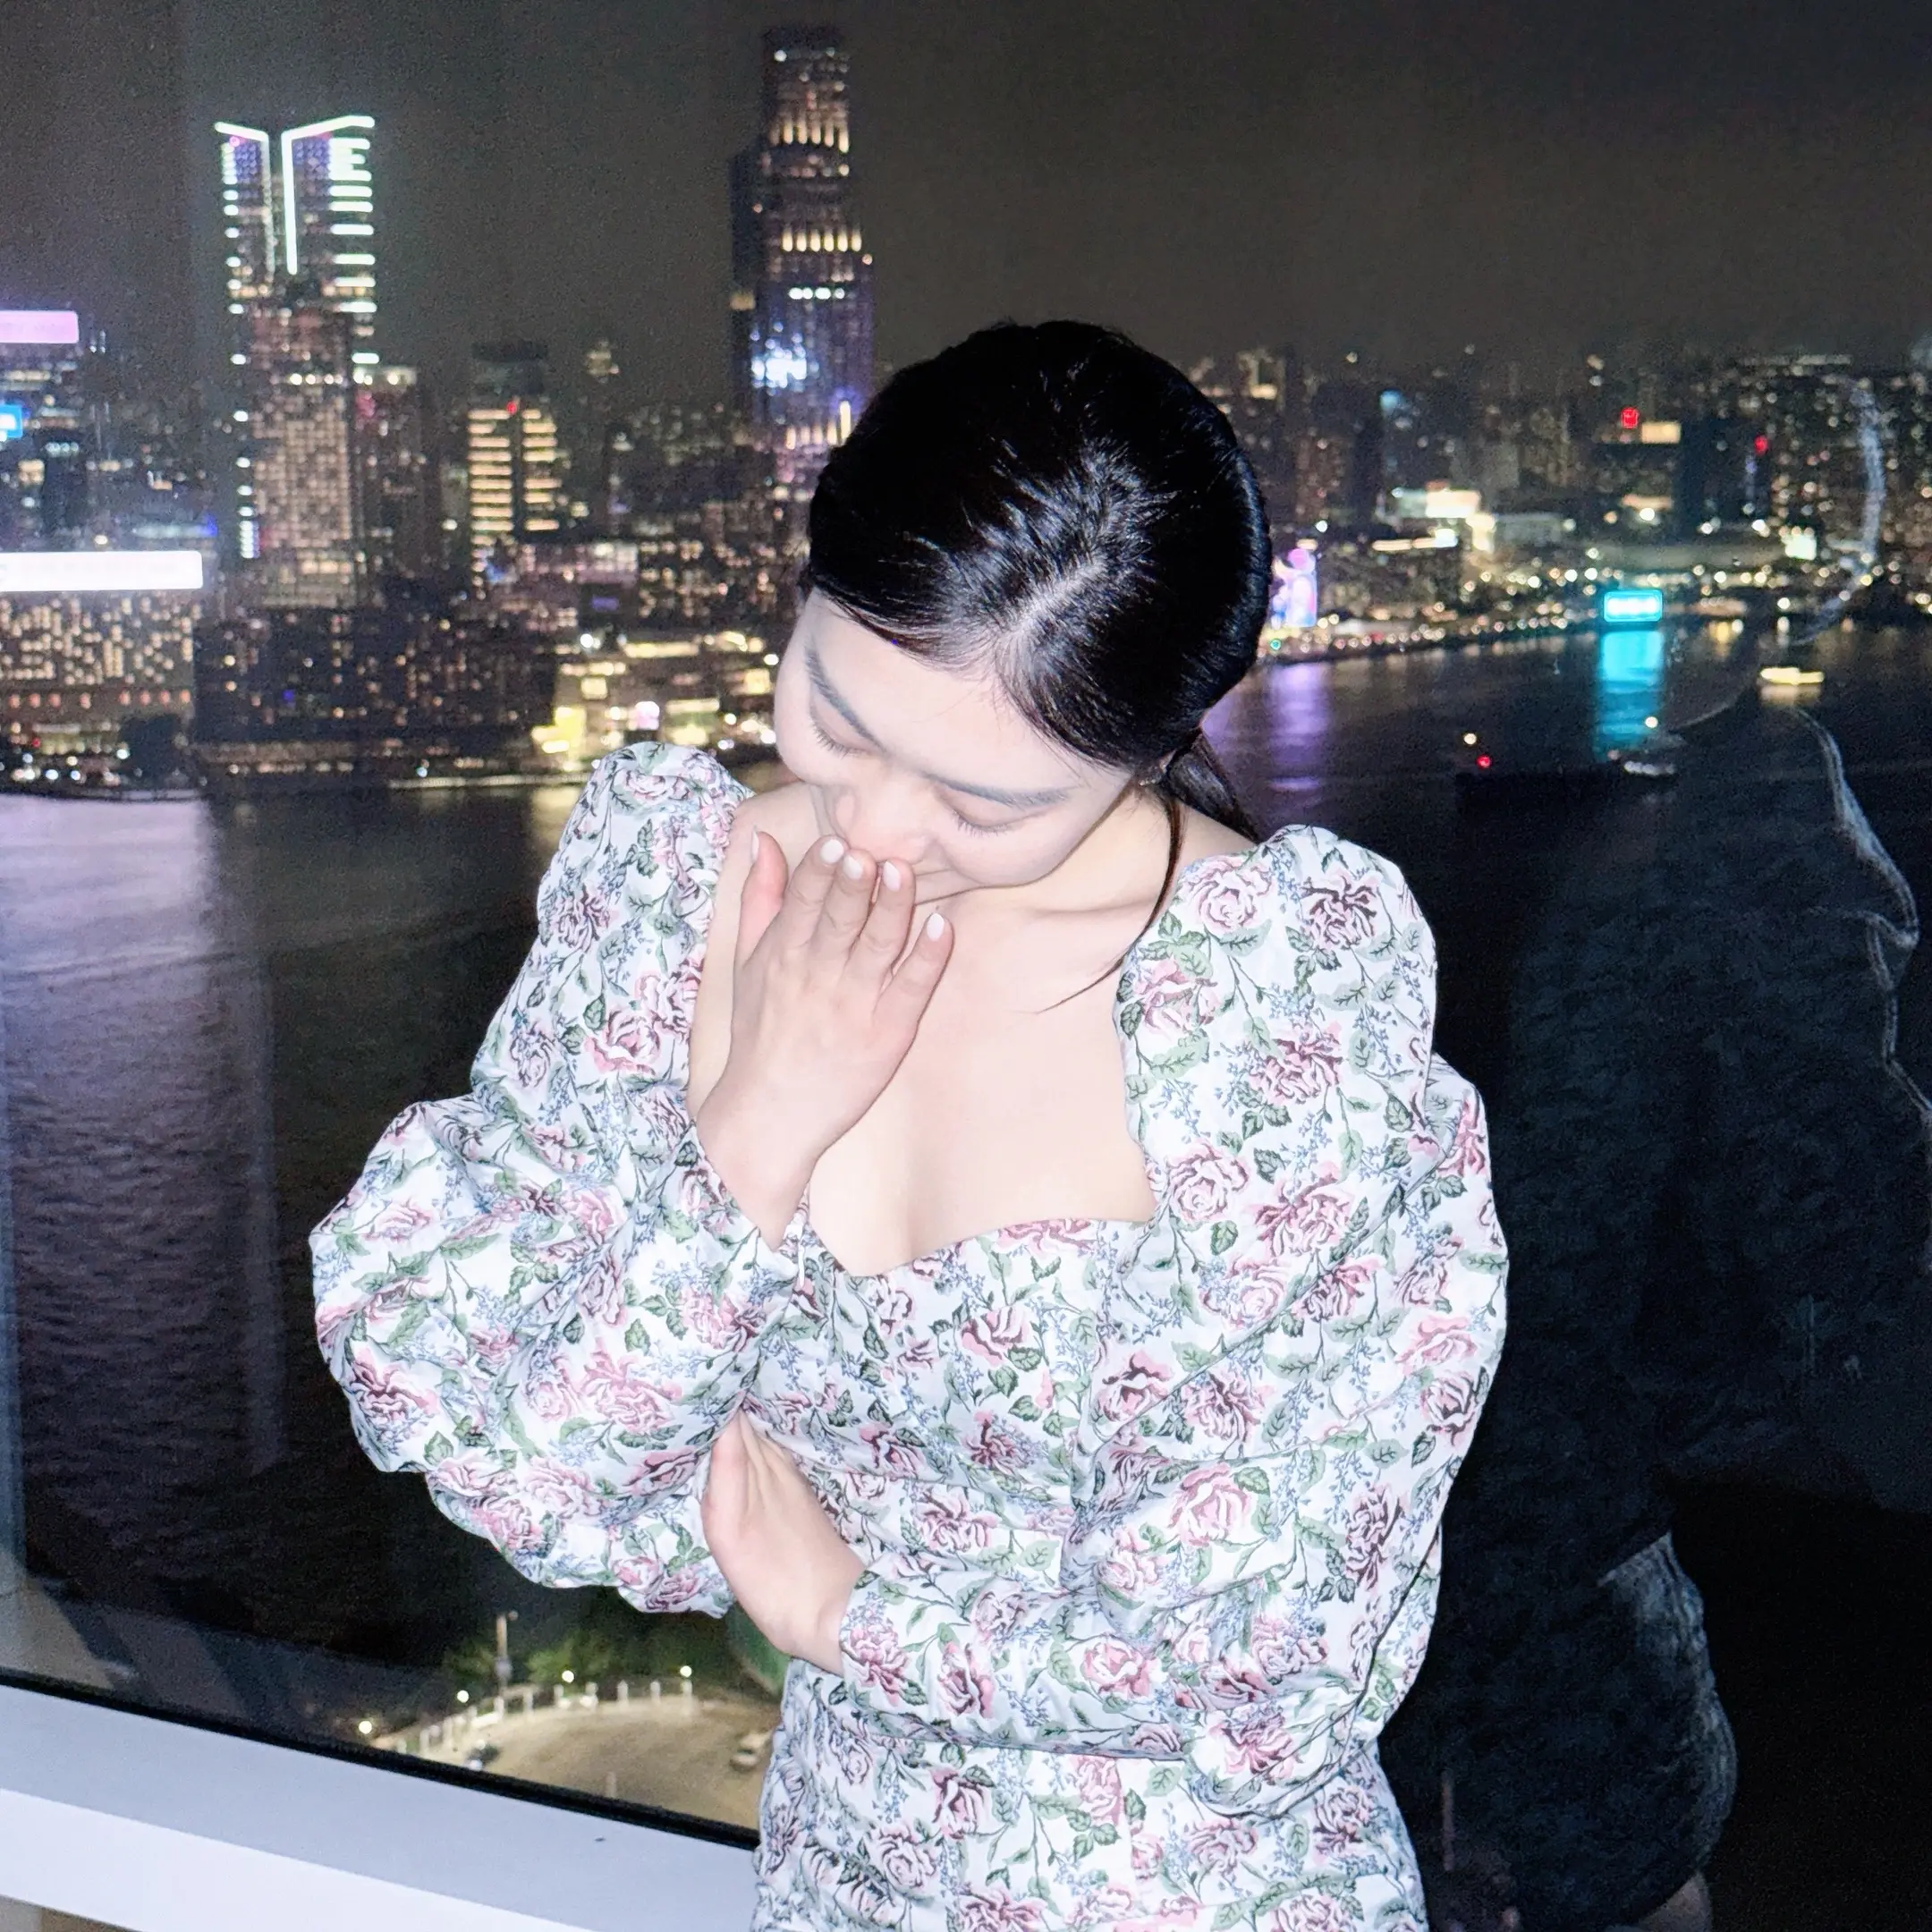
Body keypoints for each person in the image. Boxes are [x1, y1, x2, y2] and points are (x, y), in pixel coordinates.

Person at [312, 321, 1506, 1931]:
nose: (875, 829)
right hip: (839, 1877)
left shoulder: (1269, 1008)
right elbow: (528, 1458)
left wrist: (851, 1620)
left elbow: (1275, 1655)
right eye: (839, 714)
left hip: (1205, 1893)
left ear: (1151, 748)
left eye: (983, 802)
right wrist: (757, 1127)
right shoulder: (671, 898)